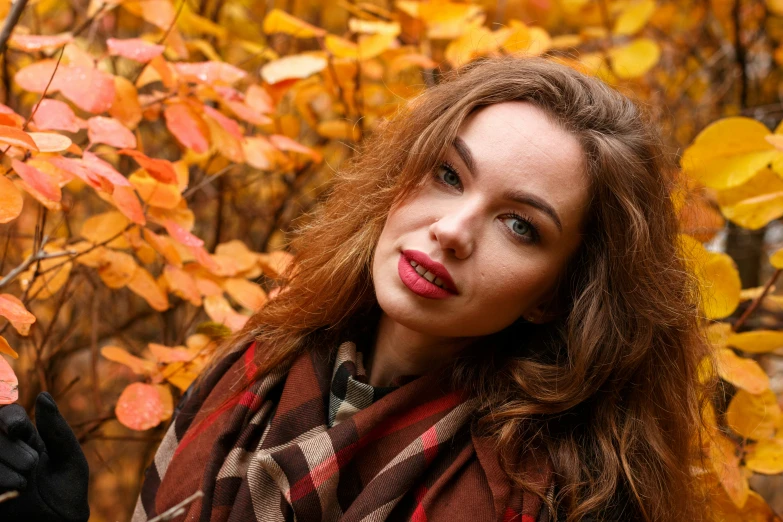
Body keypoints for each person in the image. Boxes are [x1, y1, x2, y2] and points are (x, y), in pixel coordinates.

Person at [0, 55, 712, 522]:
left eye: (520, 226)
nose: (452, 230)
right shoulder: (252, 375)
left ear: (553, 295)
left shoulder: (555, 498)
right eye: (447, 175)